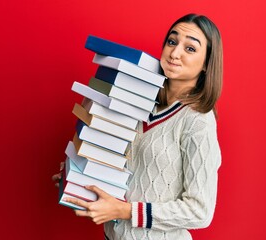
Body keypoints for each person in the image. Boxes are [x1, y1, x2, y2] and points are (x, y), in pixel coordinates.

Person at [52, 13, 223, 240]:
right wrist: (78, 179)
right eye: (172, 42)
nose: (175, 53)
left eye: (190, 48)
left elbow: (200, 211)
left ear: (206, 64)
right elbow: (125, 168)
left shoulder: (198, 121)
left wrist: (124, 211)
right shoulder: (139, 101)